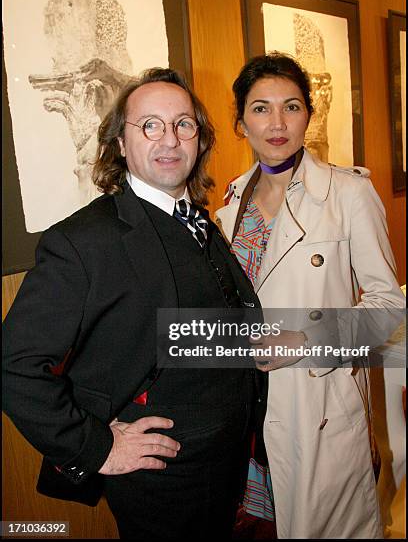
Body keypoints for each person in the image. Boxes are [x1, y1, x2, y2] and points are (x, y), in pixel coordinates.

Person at [2, 68, 265, 541]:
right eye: (150, 125)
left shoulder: (200, 221)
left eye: (184, 124)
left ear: (200, 139)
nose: (170, 139)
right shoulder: (83, 241)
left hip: (225, 462)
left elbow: (179, 332)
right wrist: (97, 447)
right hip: (161, 479)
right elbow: (12, 366)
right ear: (120, 143)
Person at [215, 52, 405, 539]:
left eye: (291, 106)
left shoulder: (347, 193)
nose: (276, 123)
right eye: (260, 109)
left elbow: (388, 308)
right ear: (240, 123)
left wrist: (305, 338)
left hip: (318, 403)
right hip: (252, 406)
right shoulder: (229, 205)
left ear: (308, 115)